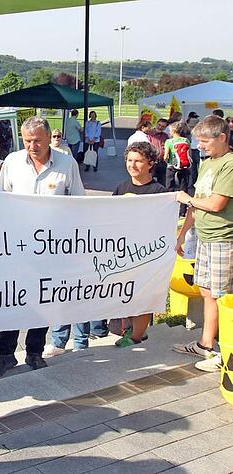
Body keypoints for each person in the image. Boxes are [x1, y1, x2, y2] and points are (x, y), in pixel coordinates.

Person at [0, 116, 85, 377]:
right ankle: (4, 355)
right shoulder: (12, 162)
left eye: (38, 141)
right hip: (17, 248)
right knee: (13, 301)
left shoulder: (66, 163)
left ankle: (34, 352)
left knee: (43, 300)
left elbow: (79, 204)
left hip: (52, 249)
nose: (32, 146)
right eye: (28, 141)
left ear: (48, 139)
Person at [173, 115, 232, 372]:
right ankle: (206, 343)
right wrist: (183, 234)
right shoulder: (208, 163)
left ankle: (224, 349)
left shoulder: (229, 164)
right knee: (207, 291)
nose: (201, 146)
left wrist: (186, 198)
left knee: (221, 295)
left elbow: (217, 203)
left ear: (222, 137)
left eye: (205, 141)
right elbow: (196, 203)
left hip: (223, 239)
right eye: (199, 141)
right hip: (205, 238)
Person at [112, 142, 167, 347]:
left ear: (150, 163)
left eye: (138, 161)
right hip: (123, 254)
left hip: (146, 256)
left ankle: (135, 337)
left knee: (143, 298)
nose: (132, 165)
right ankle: (132, 332)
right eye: (129, 160)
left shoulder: (158, 191)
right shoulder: (121, 188)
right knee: (126, 295)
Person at [164, 122, 192, 216]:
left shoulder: (169, 142)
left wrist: (168, 161)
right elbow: (189, 154)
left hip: (172, 167)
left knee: (170, 187)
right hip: (184, 167)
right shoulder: (186, 140)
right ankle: (182, 211)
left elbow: (166, 156)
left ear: (173, 131)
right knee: (183, 188)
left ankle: (169, 210)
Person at [148, 118, 171, 184]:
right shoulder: (149, 134)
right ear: (156, 124)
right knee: (149, 181)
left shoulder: (165, 136)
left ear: (165, 127)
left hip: (162, 162)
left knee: (162, 182)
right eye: (159, 125)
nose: (160, 127)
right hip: (152, 161)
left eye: (163, 126)